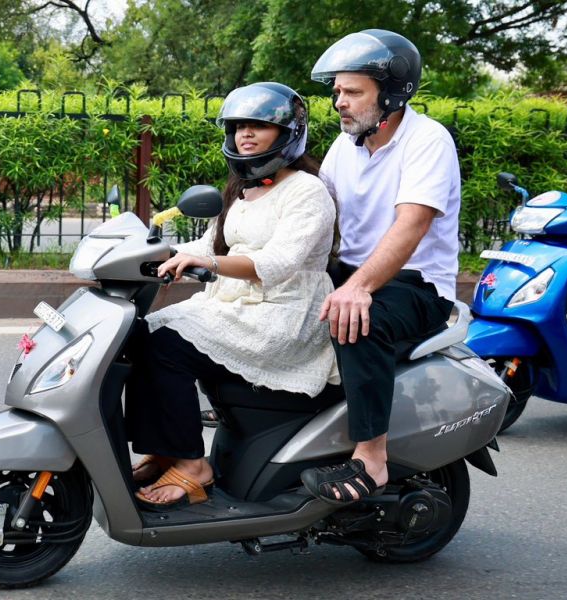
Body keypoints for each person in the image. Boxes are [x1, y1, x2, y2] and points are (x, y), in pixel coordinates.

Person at [126, 82, 338, 508]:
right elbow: (211, 246)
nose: (246, 134)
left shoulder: (306, 191)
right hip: (237, 305)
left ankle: (193, 466)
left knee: (168, 346)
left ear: (287, 134)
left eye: (259, 126)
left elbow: (278, 263)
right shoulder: (245, 189)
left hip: (283, 314)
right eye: (240, 126)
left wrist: (210, 266)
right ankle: (168, 449)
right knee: (141, 332)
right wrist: (160, 255)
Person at [299, 29, 459, 504]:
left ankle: (372, 458)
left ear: (390, 94)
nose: (339, 103)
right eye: (337, 93)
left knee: (358, 321)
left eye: (352, 93)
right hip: (353, 270)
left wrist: (358, 286)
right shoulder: (343, 147)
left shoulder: (427, 140)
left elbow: (411, 225)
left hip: (418, 284)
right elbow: (317, 211)